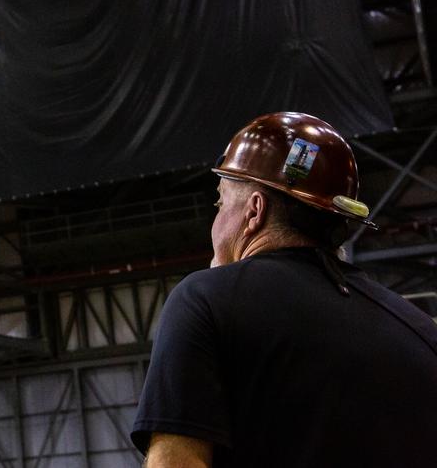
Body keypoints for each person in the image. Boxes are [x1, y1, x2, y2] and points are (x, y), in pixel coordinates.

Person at [130, 112, 437, 468]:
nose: (215, 221)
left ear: (254, 211)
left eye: (220, 203)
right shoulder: (420, 331)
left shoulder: (204, 300)